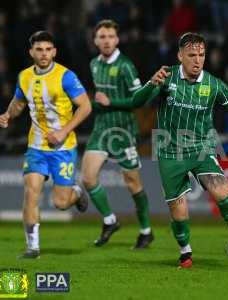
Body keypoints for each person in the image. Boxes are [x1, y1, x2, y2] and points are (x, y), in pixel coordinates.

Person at [96, 32, 228, 268]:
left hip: (201, 149)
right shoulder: (166, 77)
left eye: (201, 55)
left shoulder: (213, 84)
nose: (197, 60)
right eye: (191, 55)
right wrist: (151, 84)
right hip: (170, 153)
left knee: (221, 191)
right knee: (179, 210)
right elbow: (136, 102)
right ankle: (186, 254)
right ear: (180, 56)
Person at [0, 31, 92, 258]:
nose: (44, 54)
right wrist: (8, 115)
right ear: (31, 52)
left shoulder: (66, 77)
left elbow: (85, 106)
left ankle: (77, 192)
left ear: (54, 52)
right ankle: (33, 247)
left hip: (63, 148)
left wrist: (63, 131)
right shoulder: (24, 77)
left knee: (60, 203)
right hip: (36, 147)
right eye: (39, 49)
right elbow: (19, 103)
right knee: (31, 193)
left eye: (48, 49)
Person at [81, 19, 154, 249]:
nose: (106, 41)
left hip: (123, 130)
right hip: (102, 127)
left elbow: (141, 100)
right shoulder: (94, 64)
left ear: (117, 39)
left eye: (110, 36)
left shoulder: (125, 66)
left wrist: (111, 101)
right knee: (88, 177)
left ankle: (146, 231)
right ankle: (110, 221)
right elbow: (101, 99)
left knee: (132, 183)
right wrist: (98, 104)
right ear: (95, 40)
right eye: (102, 37)